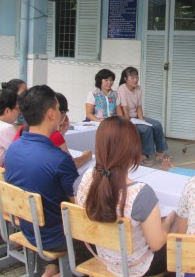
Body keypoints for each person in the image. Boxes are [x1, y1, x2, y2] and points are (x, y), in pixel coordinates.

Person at [76, 116, 175, 276]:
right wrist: (169, 222)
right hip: (135, 267)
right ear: (133, 150)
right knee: (179, 243)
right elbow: (156, 244)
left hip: (100, 255)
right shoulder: (141, 194)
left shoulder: (84, 179)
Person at [5, 85, 83, 277]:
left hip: (28, 228)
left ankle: (52, 267)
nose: (61, 113)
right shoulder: (59, 159)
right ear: (50, 114)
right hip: (56, 236)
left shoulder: (13, 148)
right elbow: (78, 206)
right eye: (58, 109)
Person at [14, 92, 92, 168]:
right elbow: (71, 165)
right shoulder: (53, 135)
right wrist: (87, 156)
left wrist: (60, 134)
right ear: (52, 113)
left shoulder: (23, 128)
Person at [117, 67, 169, 166]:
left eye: (137, 77)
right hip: (127, 118)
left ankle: (160, 152)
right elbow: (124, 108)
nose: (135, 80)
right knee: (146, 129)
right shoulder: (121, 89)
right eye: (132, 78)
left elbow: (139, 107)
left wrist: (142, 120)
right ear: (125, 79)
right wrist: (128, 123)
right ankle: (143, 156)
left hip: (136, 117)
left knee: (157, 125)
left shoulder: (138, 88)